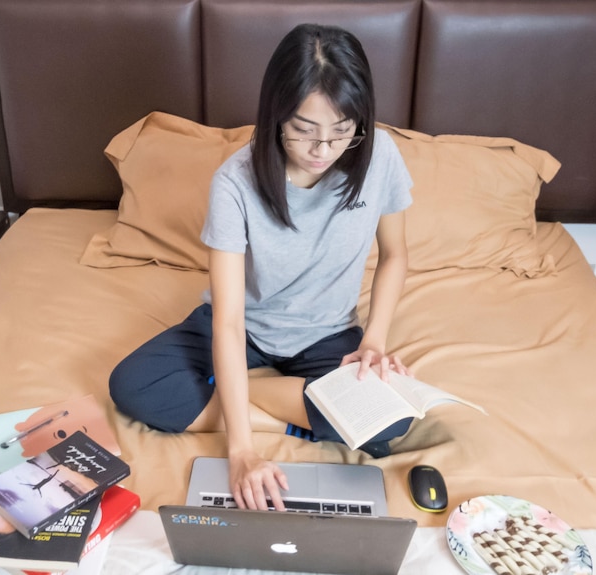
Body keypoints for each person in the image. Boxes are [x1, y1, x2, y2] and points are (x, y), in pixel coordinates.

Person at [109, 23, 414, 511]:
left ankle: (246, 392)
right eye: (304, 130)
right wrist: (242, 450)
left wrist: (374, 341)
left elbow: (396, 255)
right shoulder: (235, 182)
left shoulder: (380, 157)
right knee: (132, 387)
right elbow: (228, 323)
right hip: (243, 329)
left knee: (391, 423)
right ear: (276, 117)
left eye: (342, 132)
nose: (323, 150)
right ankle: (286, 412)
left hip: (327, 333)